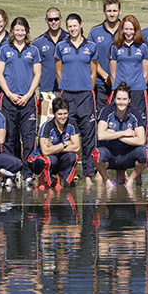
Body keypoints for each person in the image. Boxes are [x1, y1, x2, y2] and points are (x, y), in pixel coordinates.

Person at [0, 16, 41, 185]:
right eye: (17, 29)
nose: (20, 32)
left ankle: (28, 173)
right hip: (9, 100)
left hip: (28, 100)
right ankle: (10, 173)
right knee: (9, 138)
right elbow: (0, 73)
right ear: (12, 31)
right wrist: (9, 94)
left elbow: (37, 74)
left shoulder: (33, 50)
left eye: (23, 30)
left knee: (29, 138)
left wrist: (29, 94)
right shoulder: (5, 50)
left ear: (27, 31)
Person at [55, 13, 98, 184]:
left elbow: (93, 71)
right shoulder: (61, 46)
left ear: (81, 25)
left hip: (86, 95)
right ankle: (67, 173)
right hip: (67, 96)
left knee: (88, 136)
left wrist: (88, 86)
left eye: (75, 25)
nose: (72, 29)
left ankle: (88, 174)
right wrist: (65, 86)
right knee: (66, 135)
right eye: (69, 26)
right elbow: (58, 72)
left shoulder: (91, 46)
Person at [94, 82, 148, 189]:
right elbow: (100, 135)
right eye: (119, 99)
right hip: (111, 153)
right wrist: (123, 133)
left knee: (146, 153)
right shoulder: (107, 111)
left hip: (128, 153)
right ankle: (106, 180)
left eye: (124, 99)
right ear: (114, 99)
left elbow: (141, 140)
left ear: (129, 100)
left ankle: (132, 179)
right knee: (97, 154)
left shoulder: (135, 114)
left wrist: (113, 134)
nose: (121, 102)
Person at [28, 96, 81, 188]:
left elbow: (76, 147)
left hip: (56, 156)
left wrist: (54, 147)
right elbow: (45, 152)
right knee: (51, 159)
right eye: (59, 114)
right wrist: (64, 144)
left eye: (65, 113)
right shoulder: (47, 126)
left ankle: (59, 178)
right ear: (53, 113)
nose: (63, 117)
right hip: (38, 160)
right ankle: (40, 178)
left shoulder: (72, 123)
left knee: (73, 156)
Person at [109, 15, 148, 127]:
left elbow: (145, 72)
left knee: (140, 122)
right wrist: (116, 87)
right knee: (118, 122)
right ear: (122, 30)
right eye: (126, 29)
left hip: (138, 90)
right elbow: (113, 72)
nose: (128, 32)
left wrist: (140, 84)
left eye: (131, 29)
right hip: (120, 90)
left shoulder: (142, 47)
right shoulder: (115, 47)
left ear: (136, 30)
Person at [34, 6, 69, 121]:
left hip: (66, 89)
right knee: (45, 126)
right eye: (50, 20)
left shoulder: (70, 39)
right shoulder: (38, 42)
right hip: (46, 90)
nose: (53, 22)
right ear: (46, 20)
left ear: (61, 19)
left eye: (56, 19)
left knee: (65, 126)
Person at [88, 0, 122, 111]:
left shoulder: (127, 30)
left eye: (114, 11)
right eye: (109, 11)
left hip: (122, 82)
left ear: (119, 11)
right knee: (102, 116)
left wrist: (116, 77)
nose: (112, 14)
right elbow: (91, 59)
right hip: (101, 82)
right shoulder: (95, 32)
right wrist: (105, 76)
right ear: (104, 12)